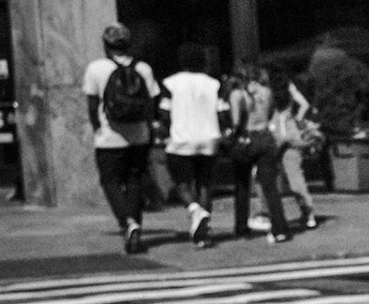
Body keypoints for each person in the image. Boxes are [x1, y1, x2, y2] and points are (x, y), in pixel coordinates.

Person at [83, 23, 162, 255]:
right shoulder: (143, 68)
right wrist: (148, 128)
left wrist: (97, 127)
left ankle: (128, 222)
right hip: (139, 135)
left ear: (106, 45)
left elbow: (92, 104)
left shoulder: (96, 68)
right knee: (134, 179)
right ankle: (134, 227)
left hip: (109, 137)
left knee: (110, 181)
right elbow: (151, 103)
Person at [160, 43, 225, 247]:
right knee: (205, 183)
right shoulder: (214, 84)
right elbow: (222, 112)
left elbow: (164, 113)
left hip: (181, 139)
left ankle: (195, 210)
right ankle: (202, 232)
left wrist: (166, 130)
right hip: (209, 139)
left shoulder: (171, 83)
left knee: (181, 183)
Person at [225, 64, 292, 243]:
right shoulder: (267, 92)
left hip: (246, 138)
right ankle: (279, 227)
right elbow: (269, 114)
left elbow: (236, 121)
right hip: (265, 137)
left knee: (242, 184)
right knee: (270, 186)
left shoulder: (237, 94)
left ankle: (241, 226)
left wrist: (231, 136)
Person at [268, 70, 322, 231]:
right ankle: (308, 212)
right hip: (291, 132)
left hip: (274, 133)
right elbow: (304, 105)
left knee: (267, 178)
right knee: (295, 178)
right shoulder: (289, 87)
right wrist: (298, 118)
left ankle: (269, 215)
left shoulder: (267, 91)